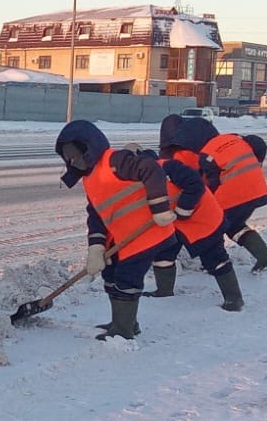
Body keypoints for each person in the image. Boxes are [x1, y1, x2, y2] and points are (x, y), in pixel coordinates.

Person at [55, 120, 177, 340]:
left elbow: (151, 169)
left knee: (126, 279)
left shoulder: (115, 160)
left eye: (75, 156)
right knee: (110, 273)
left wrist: (160, 209)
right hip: (126, 239)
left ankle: (123, 331)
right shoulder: (90, 179)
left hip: (148, 232)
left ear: (89, 148)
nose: (74, 162)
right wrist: (96, 248)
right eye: (69, 159)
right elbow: (96, 216)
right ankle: (124, 322)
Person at [160, 113, 267, 272]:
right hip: (257, 191)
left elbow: (209, 182)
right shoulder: (230, 140)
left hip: (234, 194)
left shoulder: (203, 154)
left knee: (214, 227)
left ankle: (217, 263)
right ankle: (264, 256)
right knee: (235, 226)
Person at [146, 139, 245, 311]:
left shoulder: (169, 168)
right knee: (163, 251)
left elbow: (195, 185)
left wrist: (182, 211)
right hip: (177, 222)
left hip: (204, 219)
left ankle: (234, 300)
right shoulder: (142, 181)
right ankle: (164, 290)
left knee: (214, 257)